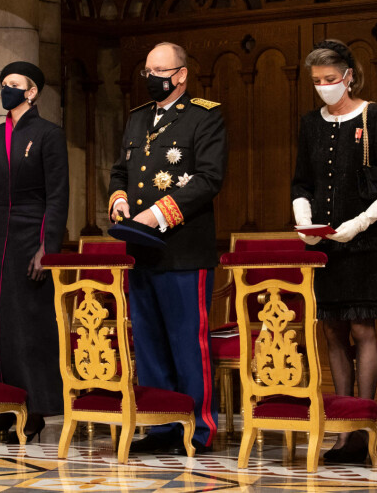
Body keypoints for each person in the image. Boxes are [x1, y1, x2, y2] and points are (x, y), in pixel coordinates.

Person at [291, 39, 377, 463]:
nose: (324, 86)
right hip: (326, 247)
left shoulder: (376, 116)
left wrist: (356, 225)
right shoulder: (310, 122)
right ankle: (342, 431)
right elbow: (302, 181)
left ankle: (362, 427)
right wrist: (304, 220)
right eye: (317, 81)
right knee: (332, 329)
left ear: (349, 76)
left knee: (362, 328)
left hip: (366, 243)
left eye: (330, 79)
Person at [109, 42, 227, 454]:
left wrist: (157, 214)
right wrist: (120, 199)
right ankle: (160, 428)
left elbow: (209, 178)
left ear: (180, 75)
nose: (151, 78)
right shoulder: (138, 119)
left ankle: (197, 430)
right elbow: (120, 169)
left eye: (160, 71)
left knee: (186, 343)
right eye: (147, 70)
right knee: (149, 342)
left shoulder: (204, 117)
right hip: (141, 251)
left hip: (182, 249)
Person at [0, 61, 69, 443]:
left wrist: (48, 247)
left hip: (31, 235)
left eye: (14, 84)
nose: (5, 89)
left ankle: (34, 411)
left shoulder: (48, 134)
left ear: (31, 92)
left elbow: (58, 197)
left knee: (27, 328)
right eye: (2, 83)